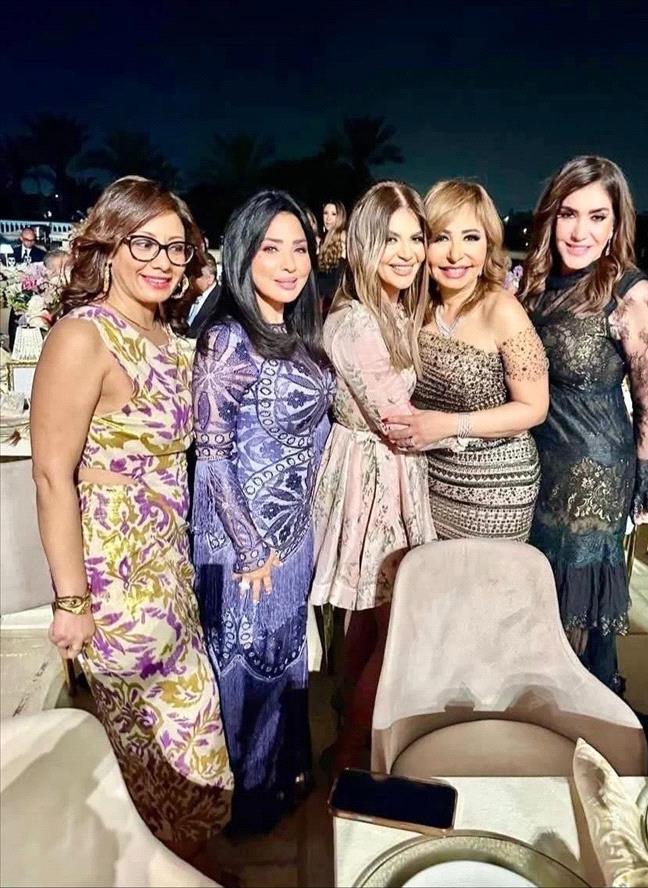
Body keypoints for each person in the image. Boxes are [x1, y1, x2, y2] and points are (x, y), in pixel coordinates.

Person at [30, 176, 233, 861]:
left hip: (166, 567)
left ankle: (179, 866)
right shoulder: (83, 336)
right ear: (109, 247)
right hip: (113, 579)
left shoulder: (168, 334)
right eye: (143, 243)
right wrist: (71, 601)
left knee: (187, 749)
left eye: (176, 248)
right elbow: (51, 475)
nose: (161, 261)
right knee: (157, 754)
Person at [192, 190, 334, 832]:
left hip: (293, 535)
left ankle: (278, 780)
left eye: (299, 248)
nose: (289, 263)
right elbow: (213, 455)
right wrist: (251, 549)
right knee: (245, 666)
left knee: (282, 658)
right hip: (242, 541)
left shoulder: (299, 334)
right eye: (270, 248)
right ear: (243, 255)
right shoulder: (227, 339)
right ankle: (244, 802)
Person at [520, 155, 648, 693]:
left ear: (616, 224)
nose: (580, 231)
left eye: (597, 217)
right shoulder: (535, 282)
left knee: (577, 607)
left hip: (594, 472)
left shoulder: (631, 294)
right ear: (551, 217)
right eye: (568, 214)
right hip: (535, 462)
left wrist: (644, 475)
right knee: (536, 594)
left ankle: (587, 709)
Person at [311, 181, 436, 771]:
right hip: (376, 477)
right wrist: (475, 430)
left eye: (416, 238)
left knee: (370, 618)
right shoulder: (357, 321)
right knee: (396, 630)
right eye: (392, 239)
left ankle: (347, 737)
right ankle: (349, 755)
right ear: (364, 243)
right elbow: (397, 421)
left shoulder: (390, 309)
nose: (408, 252)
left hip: (385, 471)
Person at [385, 180, 548, 542]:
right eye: (441, 238)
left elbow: (534, 408)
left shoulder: (503, 310)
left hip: (496, 491)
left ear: (488, 244)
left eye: (471, 238)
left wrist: (449, 425)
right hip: (428, 483)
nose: (456, 254)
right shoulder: (416, 308)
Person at [318, 200, 347, 314]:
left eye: (333, 214)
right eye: (325, 213)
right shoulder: (322, 241)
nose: (328, 218)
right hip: (321, 302)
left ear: (340, 217)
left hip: (336, 304)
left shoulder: (344, 238)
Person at [186, 252, 219, 338]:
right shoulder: (188, 293)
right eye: (190, 274)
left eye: (196, 275)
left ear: (210, 279)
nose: (191, 279)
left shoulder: (220, 303)